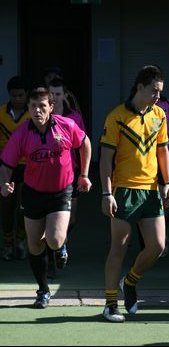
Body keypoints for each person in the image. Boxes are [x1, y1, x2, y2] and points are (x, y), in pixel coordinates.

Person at [0, 87, 92, 309]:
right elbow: (6, 164)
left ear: (51, 107)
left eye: (42, 105)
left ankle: (60, 247)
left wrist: (84, 175)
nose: (37, 110)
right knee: (34, 245)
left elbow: (85, 144)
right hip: (33, 193)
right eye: (33, 106)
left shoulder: (66, 125)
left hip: (61, 191)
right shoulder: (22, 133)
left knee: (53, 238)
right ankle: (43, 291)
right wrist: (4, 183)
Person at [99, 65, 169, 322]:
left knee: (158, 246)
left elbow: (163, 151)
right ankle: (110, 304)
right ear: (140, 87)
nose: (157, 96)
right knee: (118, 247)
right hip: (124, 190)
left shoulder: (160, 115)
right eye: (154, 91)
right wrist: (107, 193)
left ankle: (129, 282)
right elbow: (106, 159)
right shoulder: (116, 116)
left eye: (160, 92)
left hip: (152, 190)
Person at [137, 64, 169, 255]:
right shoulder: (131, 109)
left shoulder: (168, 108)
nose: (156, 94)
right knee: (144, 202)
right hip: (139, 166)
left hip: (160, 164)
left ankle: (160, 239)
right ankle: (149, 242)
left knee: (163, 201)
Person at [46, 77, 86, 277]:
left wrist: (84, 174)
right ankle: (54, 255)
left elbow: (82, 144)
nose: (54, 98)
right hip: (47, 173)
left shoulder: (74, 117)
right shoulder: (41, 115)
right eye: (50, 93)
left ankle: (61, 243)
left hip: (72, 172)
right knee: (48, 217)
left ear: (65, 95)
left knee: (70, 219)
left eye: (58, 94)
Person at [0, 75, 30, 261]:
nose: (17, 99)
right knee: (6, 206)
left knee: (23, 206)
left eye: (20, 95)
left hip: (27, 166)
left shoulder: (32, 114)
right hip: (5, 166)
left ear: (27, 95)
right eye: (13, 95)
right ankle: (8, 244)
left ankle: (21, 241)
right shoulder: (1, 113)